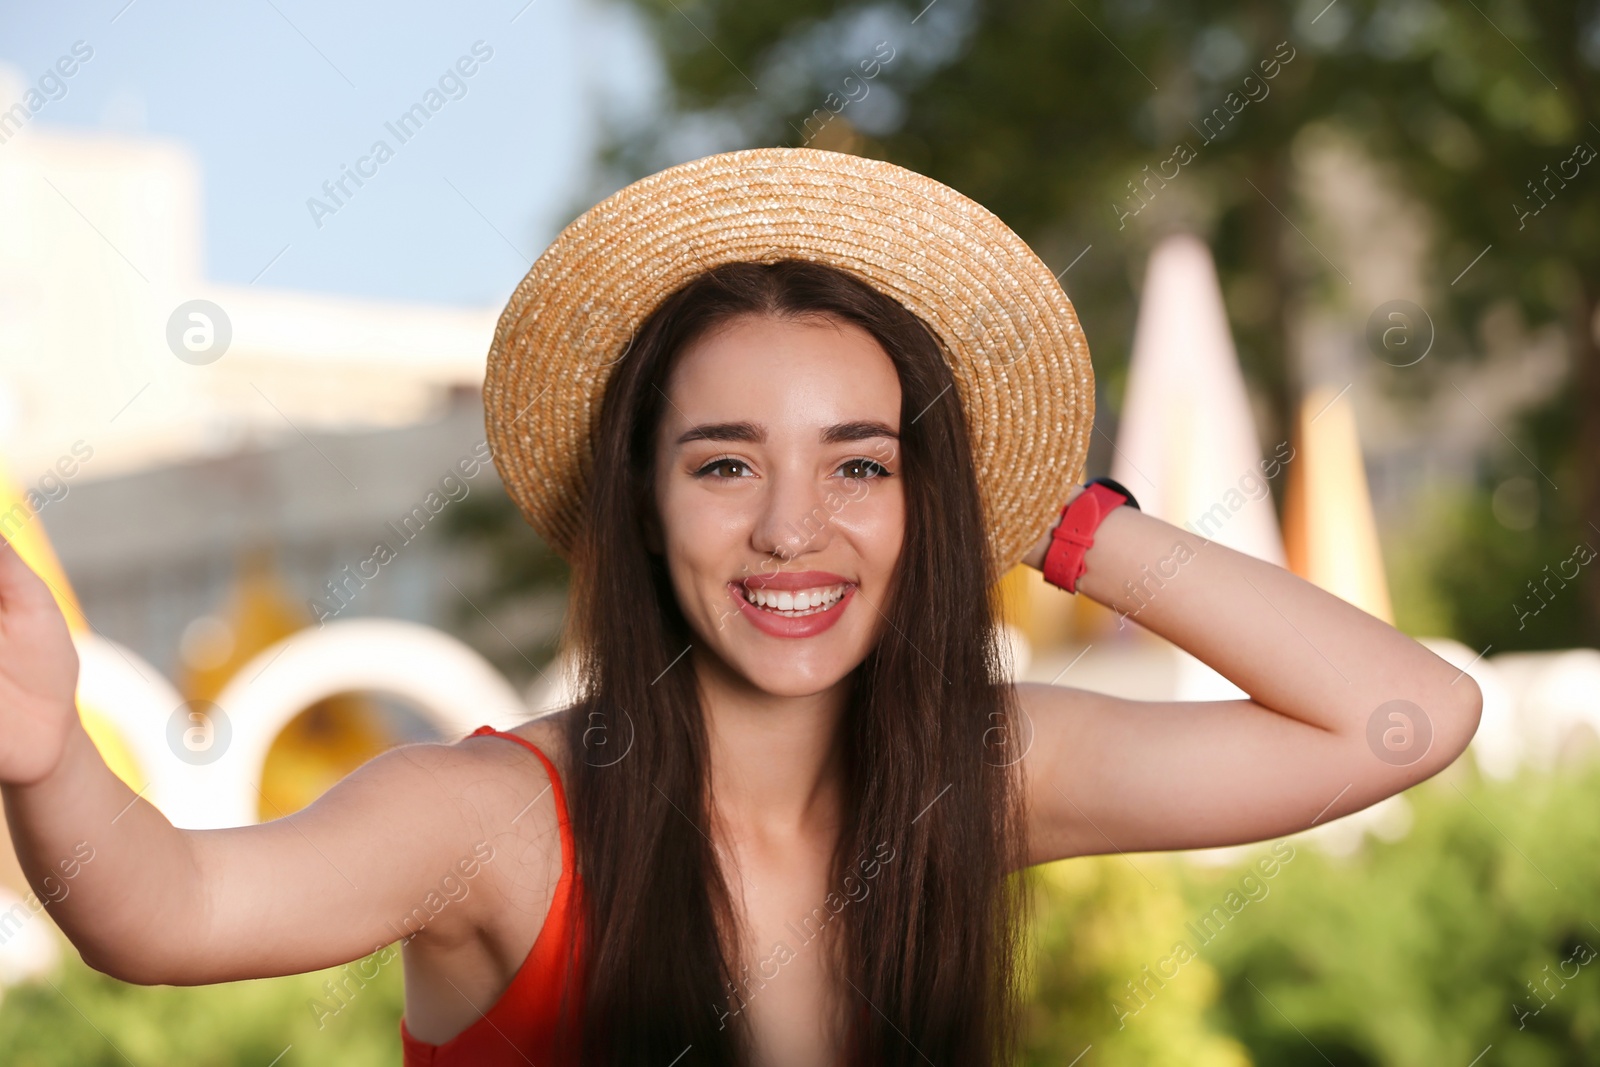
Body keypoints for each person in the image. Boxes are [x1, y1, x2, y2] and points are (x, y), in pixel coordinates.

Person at [0, 148, 1480, 1066]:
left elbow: (1406, 718)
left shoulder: (980, 772)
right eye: (724, 463)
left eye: (860, 464)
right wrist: (53, 750)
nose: (792, 527)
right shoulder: (496, 824)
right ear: (643, 505)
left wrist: (1055, 521)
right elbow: (168, 913)